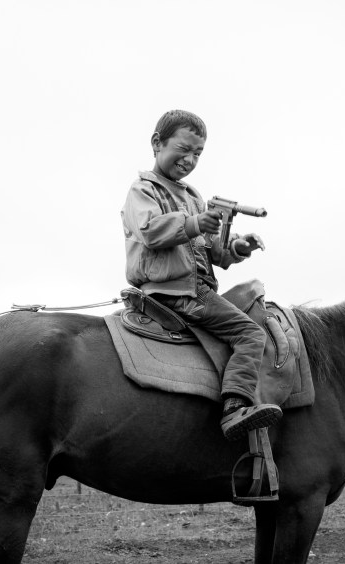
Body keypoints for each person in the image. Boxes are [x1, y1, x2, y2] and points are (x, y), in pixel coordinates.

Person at [121, 109, 282, 441]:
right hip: (177, 292)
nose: (190, 159)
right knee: (251, 335)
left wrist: (238, 247)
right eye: (183, 148)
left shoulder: (192, 197)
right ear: (157, 143)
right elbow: (150, 230)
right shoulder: (143, 190)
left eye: (198, 153)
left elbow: (211, 249)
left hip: (198, 286)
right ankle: (235, 406)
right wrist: (194, 223)